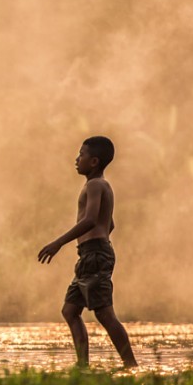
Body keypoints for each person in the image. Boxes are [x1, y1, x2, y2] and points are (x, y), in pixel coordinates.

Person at [38, 136, 137, 368]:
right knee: (70, 310)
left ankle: (131, 365)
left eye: (81, 155)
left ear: (94, 161)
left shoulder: (95, 185)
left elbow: (91, 220)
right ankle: (82, 367)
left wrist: (59, 243)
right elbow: (109, 224)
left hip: (94, 255)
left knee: (104, 314)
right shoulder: (100, 185)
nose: (76, 159)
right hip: (90, 255)